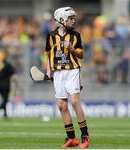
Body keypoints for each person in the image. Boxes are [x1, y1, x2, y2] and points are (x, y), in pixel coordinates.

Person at [45, 7, 89, 148]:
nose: (73, 20)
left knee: (75, 102)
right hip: (58, 72)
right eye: (71, 18)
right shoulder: (51, 36)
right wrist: (48, 71)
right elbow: (48, 55)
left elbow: (81, 54)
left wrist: (71, 49)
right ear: (62, 20)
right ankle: (71, 138)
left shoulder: (75, 35)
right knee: (62, 105)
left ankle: (85, 136)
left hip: (72, 71)